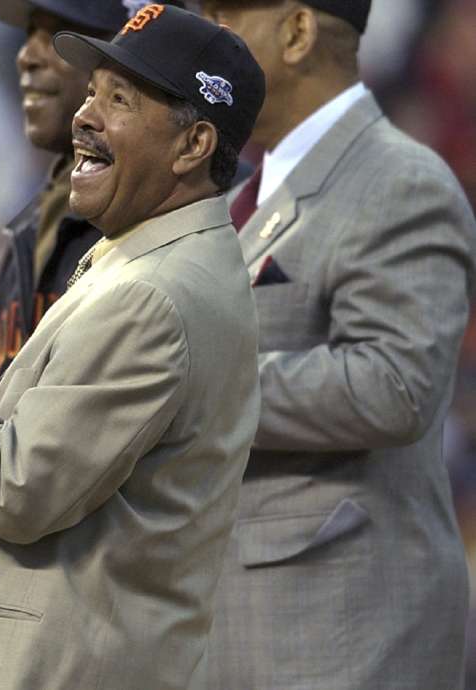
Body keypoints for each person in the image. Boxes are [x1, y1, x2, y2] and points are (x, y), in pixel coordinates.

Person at [0, 6, 265, 688]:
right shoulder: (148, 261)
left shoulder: (152, 295)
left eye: (120, 100)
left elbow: (15, 487)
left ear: (193, 145)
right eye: (92, 91)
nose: (85, 116)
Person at [197, 2, 476, 688]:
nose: (205, 39)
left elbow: (395, 384)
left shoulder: (399, 179)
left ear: (296, 33)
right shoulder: (236, 192)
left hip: (341, 626)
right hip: (237, 619)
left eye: (225, 17)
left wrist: (196, 387)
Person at [0, 0, 181, 378]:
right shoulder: (30, 223)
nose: (27, 57)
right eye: (30, 33)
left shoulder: (193, 210)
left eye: (59, 34)